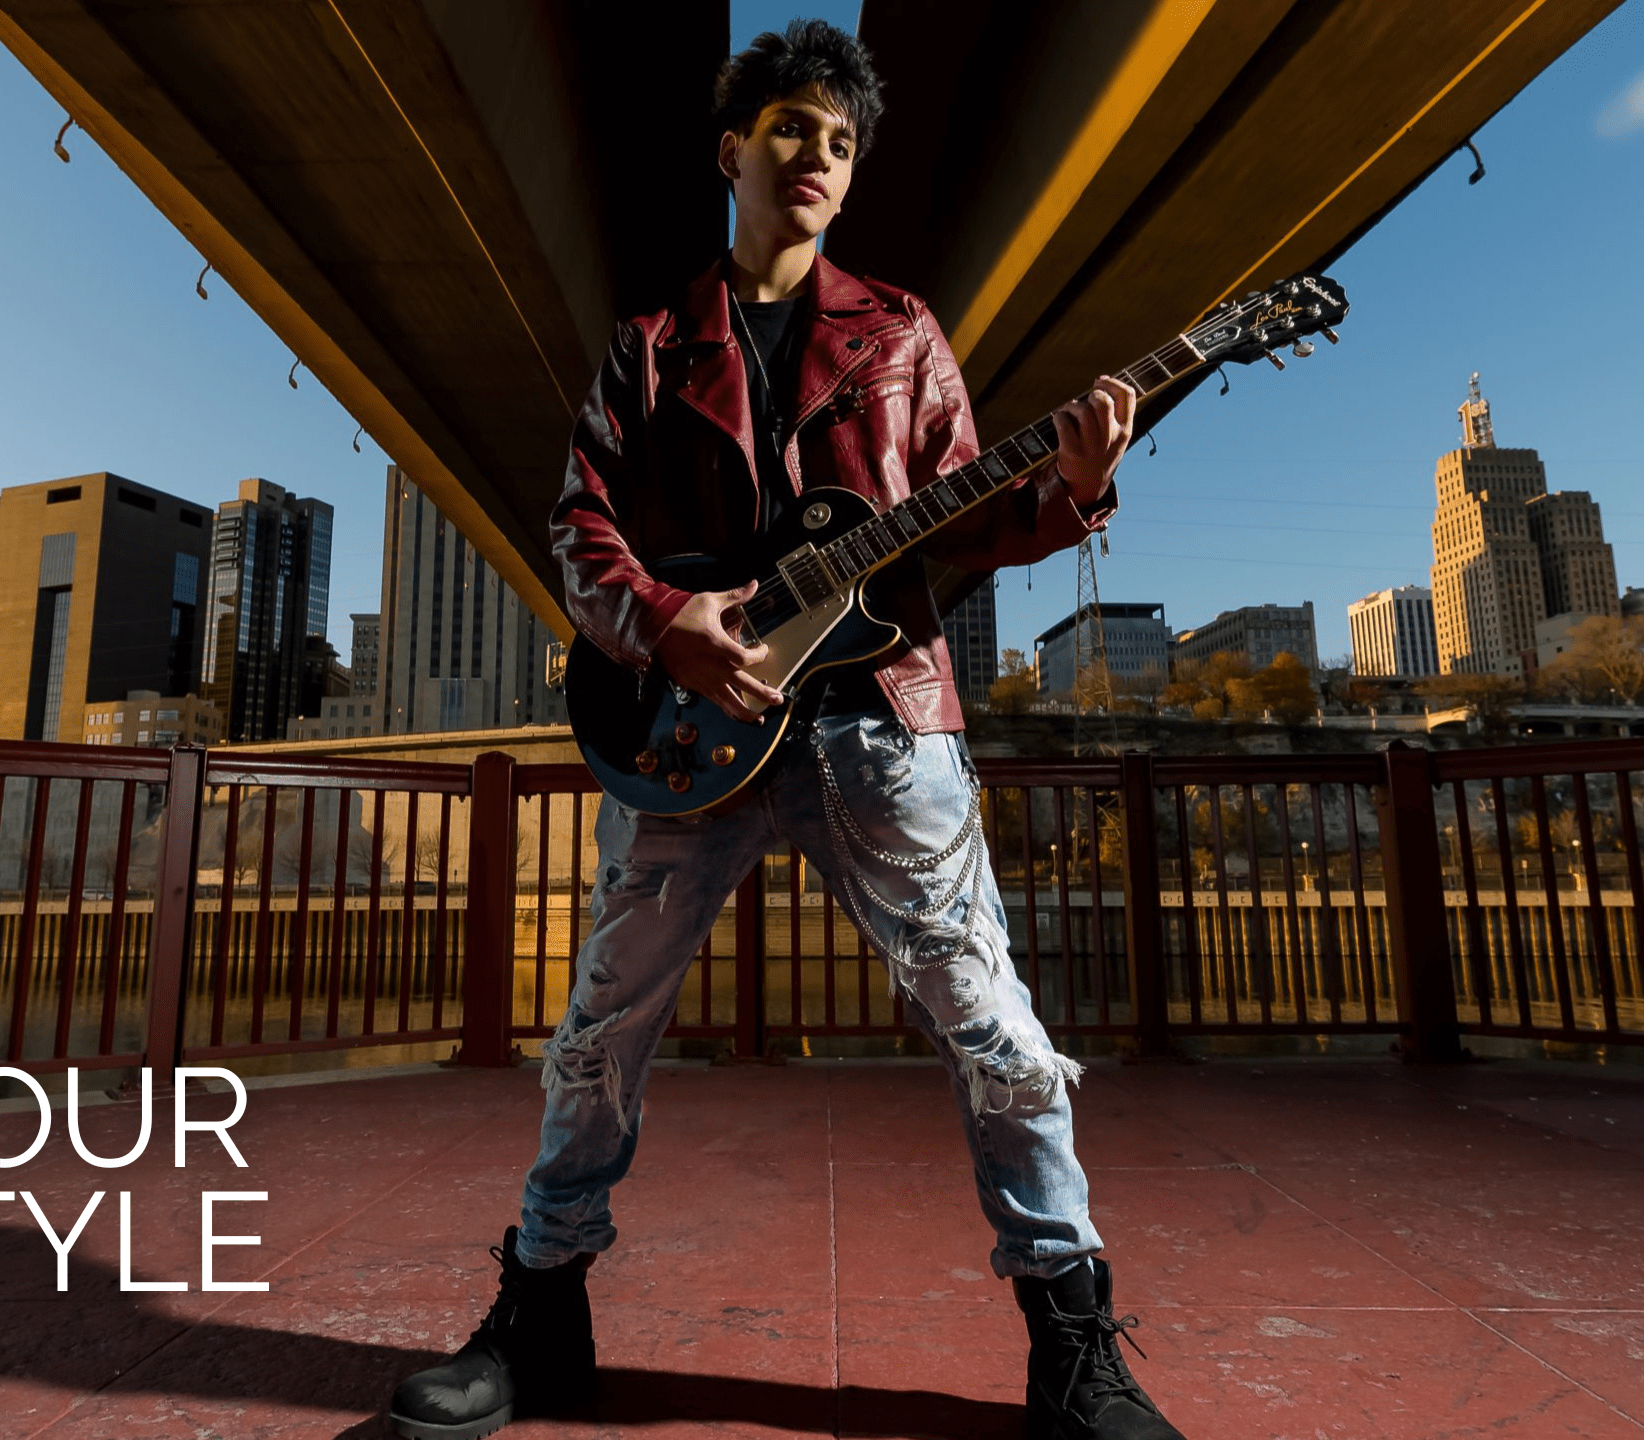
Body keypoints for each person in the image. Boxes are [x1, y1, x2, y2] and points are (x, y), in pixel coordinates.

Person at [389, 20, 1181, 1440]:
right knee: (598, 1030)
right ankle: (537, 1316)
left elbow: (976, 509)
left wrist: (1073, 490)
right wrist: (660, 622)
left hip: (887, 719)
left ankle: (1074, 1344)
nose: (819, 155)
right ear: (732, 150)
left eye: (839, 140)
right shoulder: (647, 349)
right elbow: (580, 529)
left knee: (992, 1023)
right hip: (689, 734)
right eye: (793, 130)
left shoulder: (905, 333)